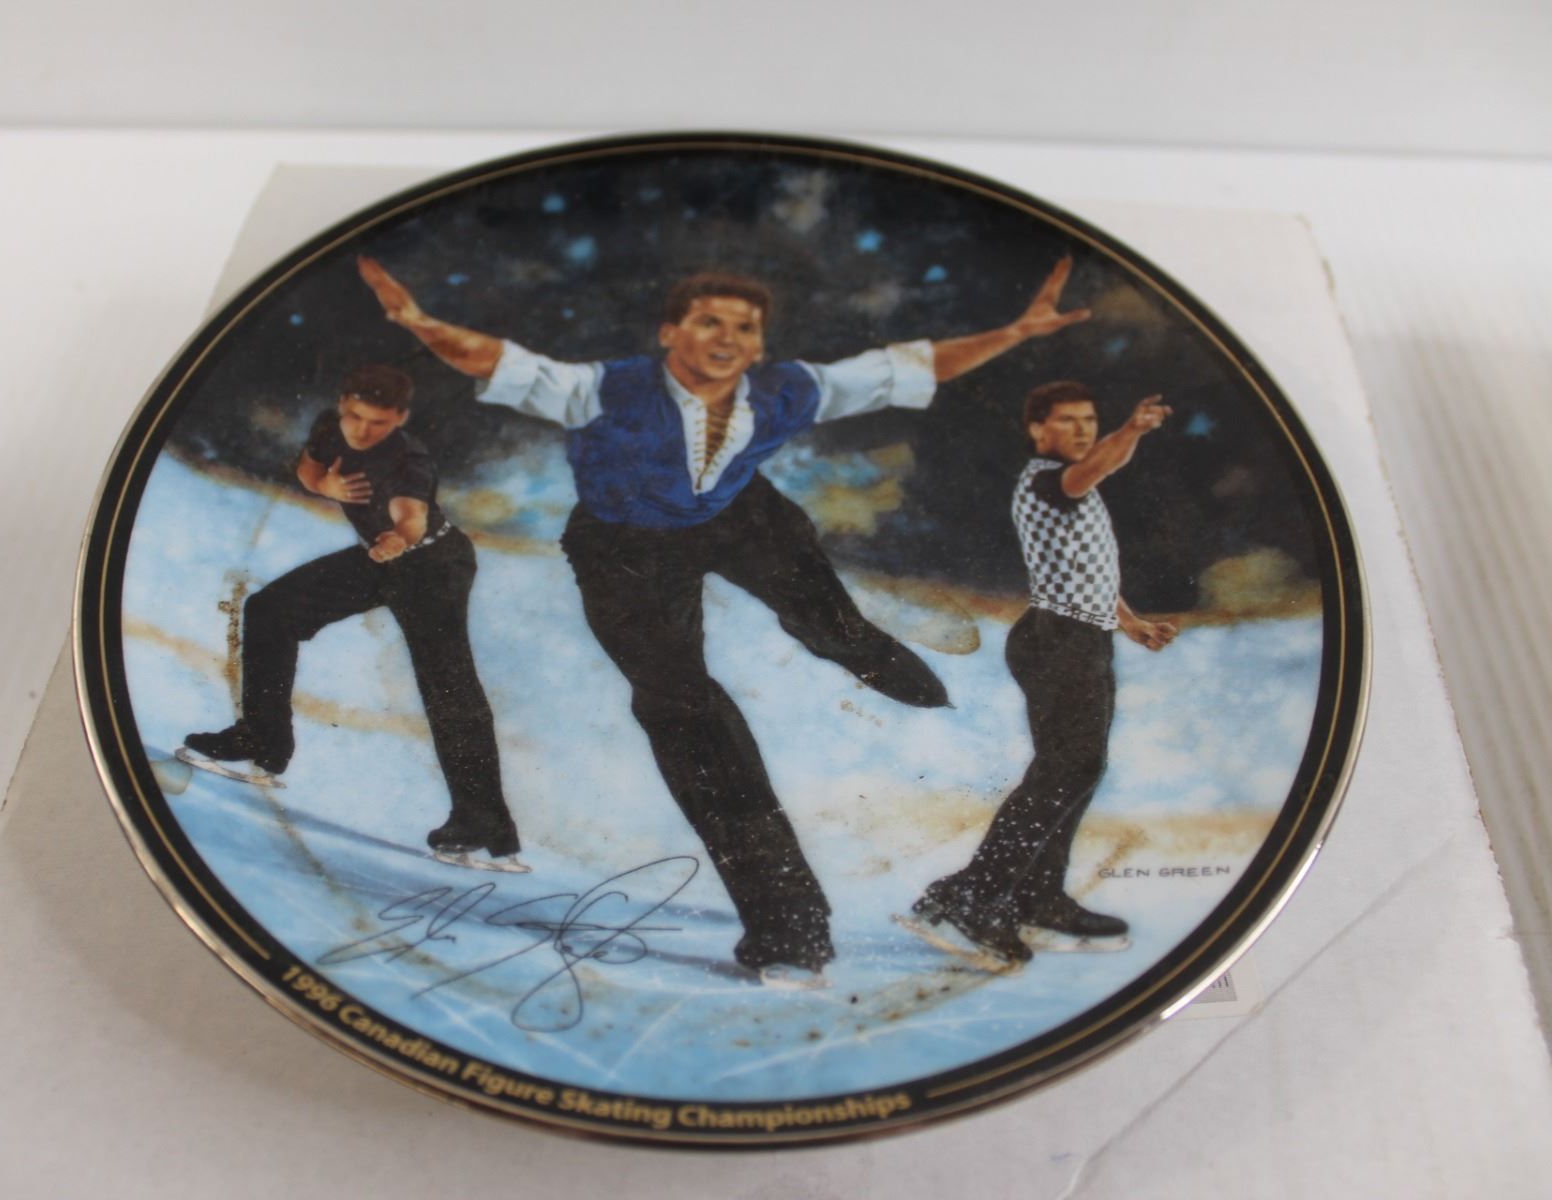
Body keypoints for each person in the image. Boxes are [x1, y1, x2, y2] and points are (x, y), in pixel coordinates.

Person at [358, 256, 1090, 985]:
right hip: (626, 551)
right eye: (709, 321)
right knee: (688, 717)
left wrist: (1015, 333)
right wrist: (421, 324)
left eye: (744, 327)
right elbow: (498, 360)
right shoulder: (604, 390)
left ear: (759, 346)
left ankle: (866, 653)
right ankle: (788, 924)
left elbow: (909, 367)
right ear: (669, 332)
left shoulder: (786, 389)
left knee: (831, 625)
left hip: (744, 517)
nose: (727, 336)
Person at [183, 364, 522, 868]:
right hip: (377, 560)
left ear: (400, 418)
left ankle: (484, 822)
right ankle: (262, 740)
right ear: (343, 404)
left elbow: (412, 517)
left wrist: (396, 539)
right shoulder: (330, 425)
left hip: (431, 566)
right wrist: (328, 486)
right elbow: (309, 469)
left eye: (378, 423)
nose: (362, 430)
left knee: (448, 685)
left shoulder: (409, 460)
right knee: (271, 610)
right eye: (356, 417)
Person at [909, 380, 1177, 965]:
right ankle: (968, 898)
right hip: (1058, 641)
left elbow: (1090, 573)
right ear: (1037, 429)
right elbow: (1096, 467)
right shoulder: (1048, 481)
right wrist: (1131, 430)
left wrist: (1129, 622)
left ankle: (1037, 899)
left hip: (1081, 638)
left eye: (1090, 420)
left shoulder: (1075, 488)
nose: (1082, 430)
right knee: (1066, 769)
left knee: (1077, 770)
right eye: (1068, 420)